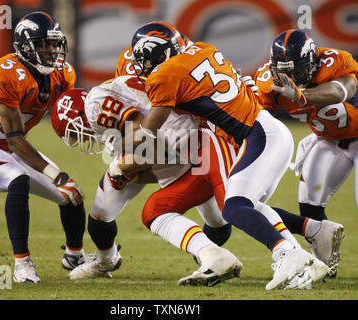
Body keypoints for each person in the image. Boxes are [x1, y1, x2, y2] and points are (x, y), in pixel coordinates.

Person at [107, 21, 331, 290]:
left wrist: (115, 135)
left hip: (258, 136)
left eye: (143, 58)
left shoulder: (163, 76)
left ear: (156, 54)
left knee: (234, 207)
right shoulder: (203, 49)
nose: (141, 66)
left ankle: (286, 254)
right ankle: (306, 258)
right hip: (266, 130)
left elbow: (147, 133)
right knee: (248, 206)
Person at [51, 81, 243, 286]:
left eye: (74, 133)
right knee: (103, 212)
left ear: (80, 115)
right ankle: (106, 261)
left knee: (225, 215)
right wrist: (130, 170)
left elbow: (152, 143)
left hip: (178, 140)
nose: (80, 138)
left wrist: (125, 169)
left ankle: (214, 252)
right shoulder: (116, 95)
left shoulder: (95, 106)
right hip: (182, 140)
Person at [0, 12, 88, 283]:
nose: (51, 51)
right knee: (19, 179)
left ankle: (75, 255)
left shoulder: (64, 73)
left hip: (14, 148)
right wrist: (54, 175)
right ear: (25, 46)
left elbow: (66, 113)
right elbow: (14, 137)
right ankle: (22, 263)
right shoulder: (5, 71)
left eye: (54, 44)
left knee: (71, 193)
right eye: (43, 45)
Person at [254, 29, 354, 274]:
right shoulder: (269, 79)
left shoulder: (335, 60)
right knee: (309, 200)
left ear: (311, 62)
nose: (289, 77)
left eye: (296, 71)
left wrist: (301, 95)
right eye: (283, 71)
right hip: (328, 140)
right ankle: (324, 264)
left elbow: (342, 91)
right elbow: (258, 116)